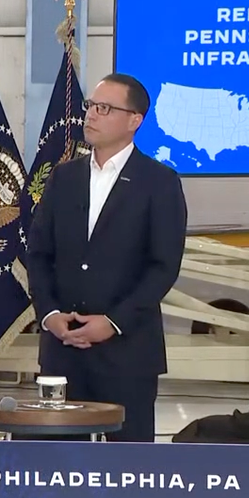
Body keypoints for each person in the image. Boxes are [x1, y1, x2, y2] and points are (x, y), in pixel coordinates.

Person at [25, 73, 188, 443]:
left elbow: (163, 267)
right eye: (91, 107)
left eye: (105, 108)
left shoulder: (159, 182)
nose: (91, 116)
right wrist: (50, 315)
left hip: (127, 354)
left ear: (135, 121)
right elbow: (38, 254)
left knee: (125, 467)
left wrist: (113, 322)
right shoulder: (63, 178)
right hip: (62, 353)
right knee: (58, 464)